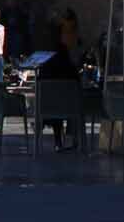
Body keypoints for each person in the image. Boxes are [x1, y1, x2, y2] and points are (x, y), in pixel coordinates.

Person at [35, 23, 82, 151]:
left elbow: (39, 82)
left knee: (54, 105)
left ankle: (57, 141)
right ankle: (75, 139)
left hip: (48, 107)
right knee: (70, 104)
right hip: (68, 106)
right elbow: (76, 79)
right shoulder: (67, 66)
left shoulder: (45, 66)